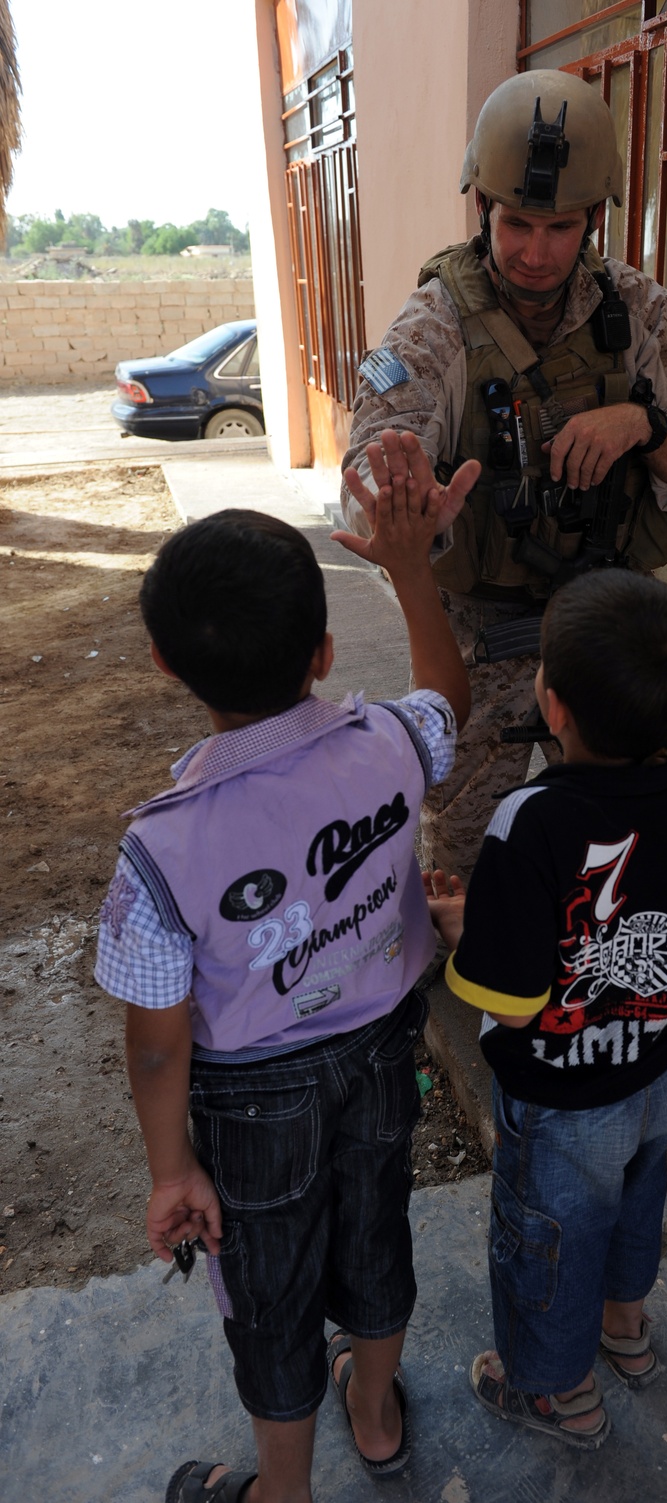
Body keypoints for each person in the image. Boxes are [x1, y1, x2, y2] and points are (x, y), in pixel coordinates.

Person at [93, 431, 479, 1503]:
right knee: (375, 1230)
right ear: (320, 651)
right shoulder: (392, 743)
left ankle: (283, 1491)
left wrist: (174, 1171)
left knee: (268, 1293)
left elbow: (160, 1043)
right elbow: (445, 687)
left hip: (251, 1105)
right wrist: (409, 568)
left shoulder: (161, 850)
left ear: (166, 662)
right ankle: (376, 1413)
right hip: (382, 1054)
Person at [342, 69, 667, 885]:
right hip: (487, 630)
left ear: (593, 219)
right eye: (516, 222)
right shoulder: (435, 322)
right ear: (482, 206)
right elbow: (377, 451)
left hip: (607, 623)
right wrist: (405, 502)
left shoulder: (642, 313)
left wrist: (646, 425)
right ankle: (467, 966)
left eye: (559, 228)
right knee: (461, 841)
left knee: (624, 828)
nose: (534, 251)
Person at [423, 568, 667, 1450]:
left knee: (547, 1243)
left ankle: (556, 1395)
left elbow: (514, 1002)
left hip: (560, 1102)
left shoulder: (532, 817)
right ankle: (627, 1333)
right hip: (656, 1074)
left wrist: (464, 931)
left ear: (552, 706)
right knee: (640, 1200)